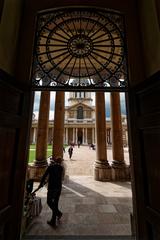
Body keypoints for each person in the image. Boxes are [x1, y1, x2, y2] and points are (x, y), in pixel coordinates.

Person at [33, 157, 65, 227]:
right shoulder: (61, 168)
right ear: (60, 162)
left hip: (52, 187)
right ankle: (53, 220)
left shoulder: (50, 167)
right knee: (55, 203)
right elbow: (61, 177)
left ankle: (58, 213)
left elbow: (44, 176)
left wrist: (41, 184)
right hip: (58, 187)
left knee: (49, 202)